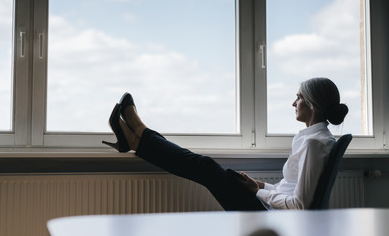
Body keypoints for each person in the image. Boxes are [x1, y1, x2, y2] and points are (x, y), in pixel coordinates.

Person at [102, 77, 349, 211]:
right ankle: (137, 138)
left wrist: (256, 192)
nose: (293, 103)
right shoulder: (310, 138)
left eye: (299, 97)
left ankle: (138, 136)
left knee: (205, 167)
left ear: (313, 104)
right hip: (270, 206)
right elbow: (290, 189)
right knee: (205, 167)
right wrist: (259, 185)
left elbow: (300, 206)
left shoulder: (316, 143)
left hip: (275, 217)